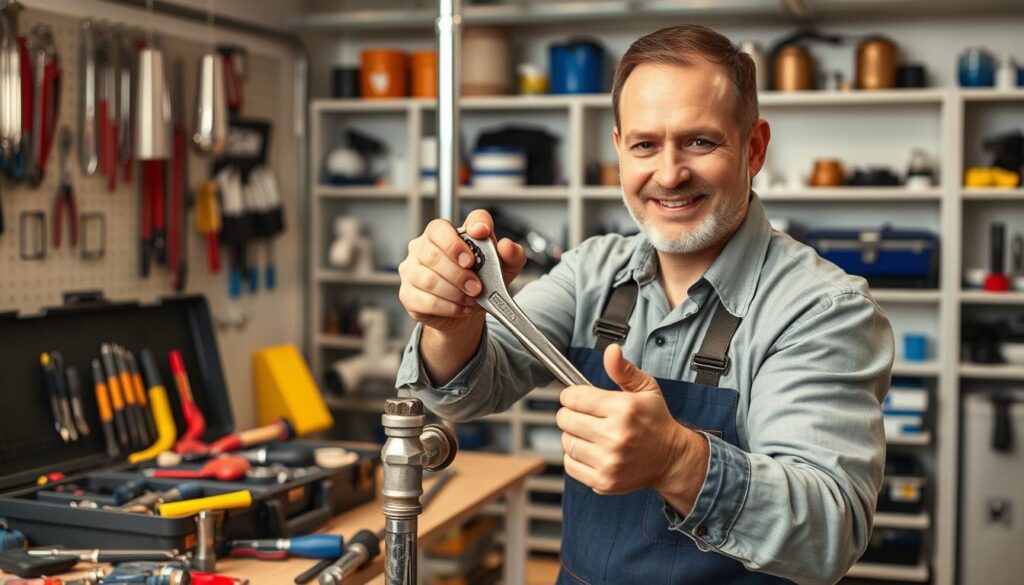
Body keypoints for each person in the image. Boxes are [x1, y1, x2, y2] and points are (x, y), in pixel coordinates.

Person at [395, 24, 893, 585]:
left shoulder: (821, 309)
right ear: (618, 151)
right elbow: (471, 392)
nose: (669, 173)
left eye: (700, 141)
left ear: (752, 149)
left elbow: (831, 531)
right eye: (645, 145)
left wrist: (678, 462)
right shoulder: (592, 271)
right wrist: (451, 323)